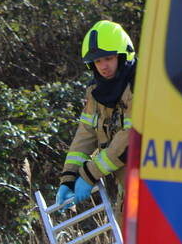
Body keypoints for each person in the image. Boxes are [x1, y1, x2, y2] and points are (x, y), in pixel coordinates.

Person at [55, 20, 136, 209]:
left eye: (108, 58)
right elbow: (85, 134)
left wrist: (90, 174)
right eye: (97, 61)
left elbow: (131, 138)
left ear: (123, 55)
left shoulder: (140, 84)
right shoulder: (95, 91)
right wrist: (68, 177)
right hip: (127, 186)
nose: (103, 66)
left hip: (152, 183)